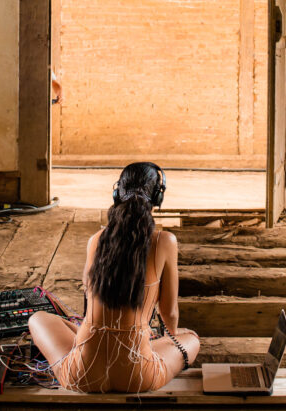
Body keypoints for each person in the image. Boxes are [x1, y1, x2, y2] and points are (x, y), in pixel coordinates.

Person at [28, 162, 200, 393]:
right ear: (158, 197)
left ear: (117, 193)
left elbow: (91, 295)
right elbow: (169, 313)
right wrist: (167, 337)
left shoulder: (96, 240)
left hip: (81, 376)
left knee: (38, 319)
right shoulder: (164, 241)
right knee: (191, 338)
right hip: (139, 376)